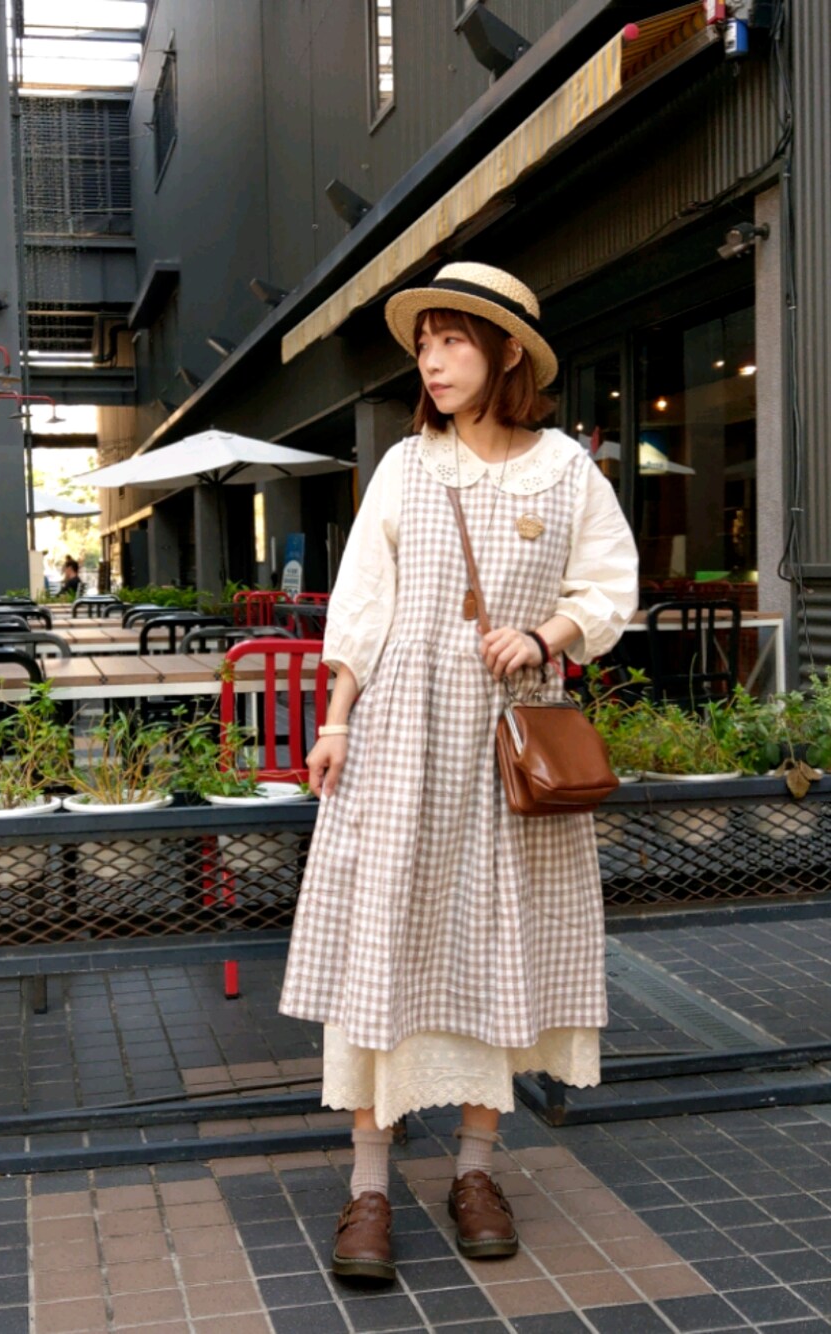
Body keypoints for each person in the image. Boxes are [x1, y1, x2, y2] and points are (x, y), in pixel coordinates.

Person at [279, 262, 639, 1282]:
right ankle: (367, 1185)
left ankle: (476, 1169)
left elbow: (609, 587)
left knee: (500, 940)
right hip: (403, 733)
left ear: (506, 351)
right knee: (384, 936)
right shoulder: (406, 465)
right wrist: (335, 721)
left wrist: (546, 632)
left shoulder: (566, 471)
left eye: (452, 342)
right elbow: (363, 605)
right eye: (423, 345)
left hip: (509, 745)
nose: (431, 363)